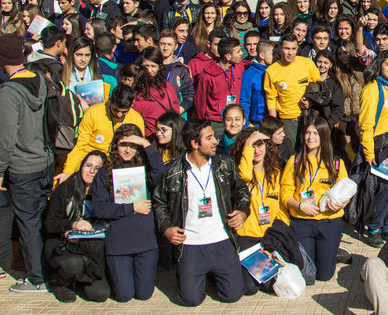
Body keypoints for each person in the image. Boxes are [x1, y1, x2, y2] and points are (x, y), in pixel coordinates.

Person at [151, 119, 250, 307]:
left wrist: (243, 212)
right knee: (190, 299)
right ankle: (195, 273)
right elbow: (159, 202)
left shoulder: (225, 164)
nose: (215, 141)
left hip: (221, 239)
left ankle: (212, 274)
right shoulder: (172, 170)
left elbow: (243, 192)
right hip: (190, 242)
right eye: (209, 138)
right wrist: (166, 228)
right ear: (195, 144)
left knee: (233, 294)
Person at [0, 34, 53, 292]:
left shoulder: (8, 92)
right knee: (41, 219)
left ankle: (36, 278)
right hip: (45, 160)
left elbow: (5, 138)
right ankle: (47, 269)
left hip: (22, 166)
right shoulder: (40, 79)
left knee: (27, 223)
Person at [91, 124, 165, 302]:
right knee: (123, 296)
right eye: (123, 144)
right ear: (116, 145)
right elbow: (100, 209)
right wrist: (131, 207)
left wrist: (146, 144)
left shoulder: (146, 168)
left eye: (133, 145)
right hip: (119, 243)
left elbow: (161, 173)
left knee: (144, 295)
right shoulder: (105, 172)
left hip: (145, 242)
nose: (128, 150)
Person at [280, 114, 349, 282]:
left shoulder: (336, 163)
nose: (310, 137)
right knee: (307, 275)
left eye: (315, 133)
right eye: (308, 133)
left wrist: (340, 205)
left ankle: (333, 253)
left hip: (329, 221)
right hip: (302, 221)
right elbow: (285, 194)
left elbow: (347, 192)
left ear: (323, 136)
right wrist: (299, 206)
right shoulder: (295, 161)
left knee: (324, 276)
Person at [43, 151, 111, 303]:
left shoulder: (105, 191)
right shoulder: (66, 189)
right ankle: (59, 282)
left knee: (100, 295)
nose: (92, 171)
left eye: (98, 168)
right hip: (64, 244)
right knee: (74, 264)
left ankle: (78, 281)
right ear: (82, 166)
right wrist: (72, 224)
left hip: (91, 247)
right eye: (88, 166)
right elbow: (50, 223)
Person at [358, 51, 388, 246]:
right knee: (384, 191)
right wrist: (369, 152)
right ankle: (375, 227)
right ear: (379, 65)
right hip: (381, 148)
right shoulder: (372, 89)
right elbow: (365, 124)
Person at [231, 127, 285, 294]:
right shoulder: (240, 174)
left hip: (269, 236)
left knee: (273, 285)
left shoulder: (275, 173)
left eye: (260, 144)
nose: (257, 149)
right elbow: (245, 176)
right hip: (247, 238)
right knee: (249, 288)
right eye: (252, 145)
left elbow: (280, 204)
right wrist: (249, 142)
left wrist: (282, 228)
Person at [61, 85, 145, 179]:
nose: (119, 114)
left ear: (132, 104)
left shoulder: (136, 119)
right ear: (110, 100)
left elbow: (138, 150)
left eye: (124, 112)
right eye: (115, 110)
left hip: (118, 166)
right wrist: (68, 171)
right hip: (91, 163)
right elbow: (80, 145)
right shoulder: (93, 112)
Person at [263, 33, 321, 142]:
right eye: (286, 48)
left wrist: (311, 101)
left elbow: (320, 87)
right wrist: (274, 125)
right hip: (288, 120)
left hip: (309, 117)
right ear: (280, 48)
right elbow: (271, 98)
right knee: (290, 155)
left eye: (293, 49)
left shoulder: (307, 63)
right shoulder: (272, 71)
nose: (290, 52)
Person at [193, 37, 245, 139]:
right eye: (238, 51)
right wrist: (203, 124)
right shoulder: (208, 75)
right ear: (228, 56)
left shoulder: (239, 67)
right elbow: (200, 102)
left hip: (235, 121)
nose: (242, 53)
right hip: (216, 122)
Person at [133, 47, 182, 138]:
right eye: (146, 66)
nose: (149, 70)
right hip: (143, 137)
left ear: (159, 67)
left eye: (153, 66)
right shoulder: (134, 88)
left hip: (164, 136)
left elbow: (175, 111)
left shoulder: (167, 88)